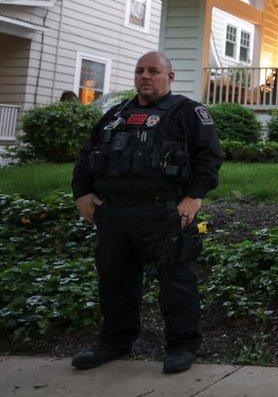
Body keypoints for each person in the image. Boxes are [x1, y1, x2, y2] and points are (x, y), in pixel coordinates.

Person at [70, 51, 221, 374]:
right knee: (115, 282)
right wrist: (82, 194)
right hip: (113, 216)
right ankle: (114, 342)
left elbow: (209, 159)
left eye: (154, 71)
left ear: (170, 77)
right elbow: (87, 155)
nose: (145, 76)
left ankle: (182, 346)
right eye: (140, 70)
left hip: (164, 213)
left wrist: (194, 198)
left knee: (176, 283)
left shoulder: (188, 113)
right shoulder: (115, 114)